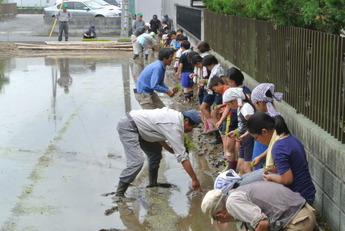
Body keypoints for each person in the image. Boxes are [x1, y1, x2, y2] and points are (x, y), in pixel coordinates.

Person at [115, 107, 202, 198]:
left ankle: (153, 184)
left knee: (155, 154)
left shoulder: (176, 117)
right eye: (192, 127)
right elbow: (182, 157)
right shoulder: (173, 126)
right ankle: (119, 193)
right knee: (137, 162)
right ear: (186, 120)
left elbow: (158, 133)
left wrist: (169, 149)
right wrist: (194, 179)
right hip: (129, 127)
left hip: (143, 129)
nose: (191, 130)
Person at [247, 112, 316, 204]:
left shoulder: (278, 148)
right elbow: (292, 167)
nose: (258, 141)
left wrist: (270, 177)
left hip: (299, 196)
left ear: (264, 132)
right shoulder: (288, 137)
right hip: (308, 191)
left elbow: (287, 179)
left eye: (256, 138)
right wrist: (275, 170)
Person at [201, 181, 316, 231]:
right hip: (303, 212)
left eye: (217, 220)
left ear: (220, 214)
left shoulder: (232, 203)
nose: (220, 222)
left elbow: (262, 223)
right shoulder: (236, 193)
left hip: (298, 222)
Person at [250, 83, 283, 170]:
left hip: (266, 161)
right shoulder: (275, 117)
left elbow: (275, 144)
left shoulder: (271, 120)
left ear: (260, 103)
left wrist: (261, 156)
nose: (256, 107)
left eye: (255, 104)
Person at [224, 88, 255, 175]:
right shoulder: (239, 108)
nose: (228, 107)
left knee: (247, 167)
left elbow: (254, 124)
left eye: (228, 105)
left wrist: (244, 135)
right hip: (243, 139)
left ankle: (252, 185)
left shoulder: (246, 108)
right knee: (240, 166)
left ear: (234, 101)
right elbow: (243, 125)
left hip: (249, 139)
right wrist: (236, 131)